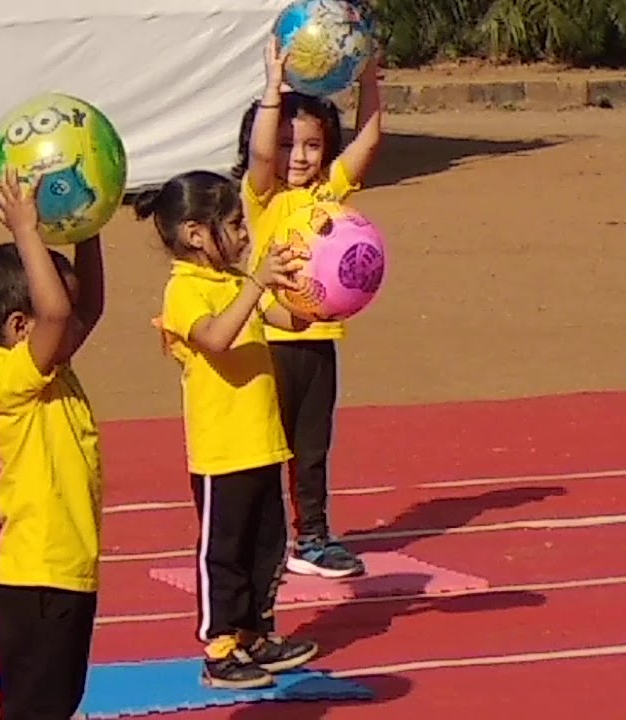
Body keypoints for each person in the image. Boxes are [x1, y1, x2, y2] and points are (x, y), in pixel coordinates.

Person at [141, 170, 318, 690]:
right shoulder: (185, 290)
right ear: (196, 234)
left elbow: (291, 321)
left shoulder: (237, 283)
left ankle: (257, 632)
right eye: (236, 225)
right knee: (225, 550)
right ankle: (219, 646)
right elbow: (216, 338)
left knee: (267, 545)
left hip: (263, 440)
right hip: (222, 451)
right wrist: (260, 282)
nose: (245, 236)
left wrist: (313, 289)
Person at [232, 39, 383, 579]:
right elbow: (261, 157)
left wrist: (367, 81)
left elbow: (368, 142)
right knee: (265, 447)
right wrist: (274, 89)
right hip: (268, 341)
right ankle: (261, 539)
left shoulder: (330, 193)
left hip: (318, 341)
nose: (299, 157)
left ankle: (313, 538)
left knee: (311, 448)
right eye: (290, 145)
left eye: (312, 146)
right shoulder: (261, 195)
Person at [0, 171, 105, 720]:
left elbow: (86, 308)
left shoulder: (54, 369)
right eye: (56, 316)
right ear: (19, 325)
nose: (71, 325)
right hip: (35, 588)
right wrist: (27, 230)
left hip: (65, 581)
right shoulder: (11, 377)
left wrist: (87, 227)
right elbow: (58, 313)